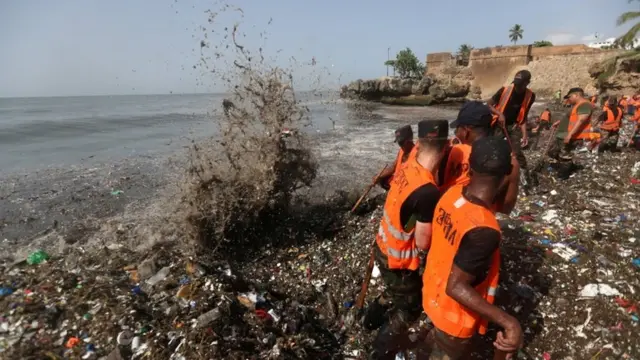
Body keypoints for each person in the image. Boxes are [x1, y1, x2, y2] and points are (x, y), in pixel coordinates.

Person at [419, 136, 523, 359]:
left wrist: (510, 178)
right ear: (506, 173)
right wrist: (509, 322)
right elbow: (456, 287)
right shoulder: (484, 230)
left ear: (471, 165)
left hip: (431, 296)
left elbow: (502, 205)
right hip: (454, 319)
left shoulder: (451, 194)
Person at [370, 119, 449, 360]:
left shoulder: (407, 166)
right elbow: (424, 243)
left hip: (382, 245)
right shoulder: (428, 191)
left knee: (393, 292)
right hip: (399, 260)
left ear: (420, 143)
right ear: (445, 148)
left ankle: (369, 319)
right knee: (410, 308)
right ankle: (380, 350)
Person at [439, 101, 520, 214]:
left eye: (457, 129)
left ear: (466, 131)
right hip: (481, 221)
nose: (456, 133)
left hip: (444, 217)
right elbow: (506, 207)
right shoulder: (509, 161)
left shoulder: (450, 150)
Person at [487, 70, 535, 187]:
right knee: (494, 149)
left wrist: (525, 135)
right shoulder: (505, 90)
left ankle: (525, 178)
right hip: (498, 124)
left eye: (520, 84)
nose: (517, 87)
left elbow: (523, 116)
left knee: (517, 152)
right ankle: (493, 175)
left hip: (514, 125)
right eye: (516, 83)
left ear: (527, 83)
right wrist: (499, 114)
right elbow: (488, 105)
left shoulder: (530, 96)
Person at [548, 88, 599, 160]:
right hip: (563, 134)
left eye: (569, 97)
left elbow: (581, 120)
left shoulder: (585, 105)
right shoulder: (577, 105)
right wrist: (559, 121)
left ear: (576, 95)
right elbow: (571, 117)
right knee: (553, 152)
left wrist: (570, 135)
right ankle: (559, 166)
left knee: (565, 156)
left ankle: (565, 169)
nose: (568, 99)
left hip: (571, 136)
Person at [376, 125, 416, 190]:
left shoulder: (417, 154)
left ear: (410, 140)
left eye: (401, 142)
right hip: (397, 181)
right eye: (399, 143)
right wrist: (379, 176)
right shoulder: (401, 151)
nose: (400, 145)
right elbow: (394, 167)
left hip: (406, 185)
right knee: (381, 179)